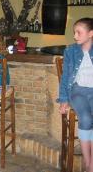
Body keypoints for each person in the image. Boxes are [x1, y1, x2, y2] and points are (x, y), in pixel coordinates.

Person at [58, 18, 93, 172]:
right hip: (78, 91)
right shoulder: (71, 51)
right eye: (74, 32)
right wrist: (64, 100)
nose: (75, 36)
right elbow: (65, 77)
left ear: (91, 33)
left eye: (79, 32)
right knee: (85, 118)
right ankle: (88, 162)